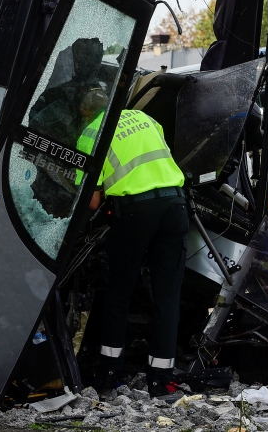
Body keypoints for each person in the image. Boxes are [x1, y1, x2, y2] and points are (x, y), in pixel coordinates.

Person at [87, 109, 187, 397]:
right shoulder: (146, 117)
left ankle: (108, 375)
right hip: (175, 206)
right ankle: (161, 381)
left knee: (119, 294)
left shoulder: (90, 133)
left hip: (133, 213)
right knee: (167, 297)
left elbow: (93, 202)